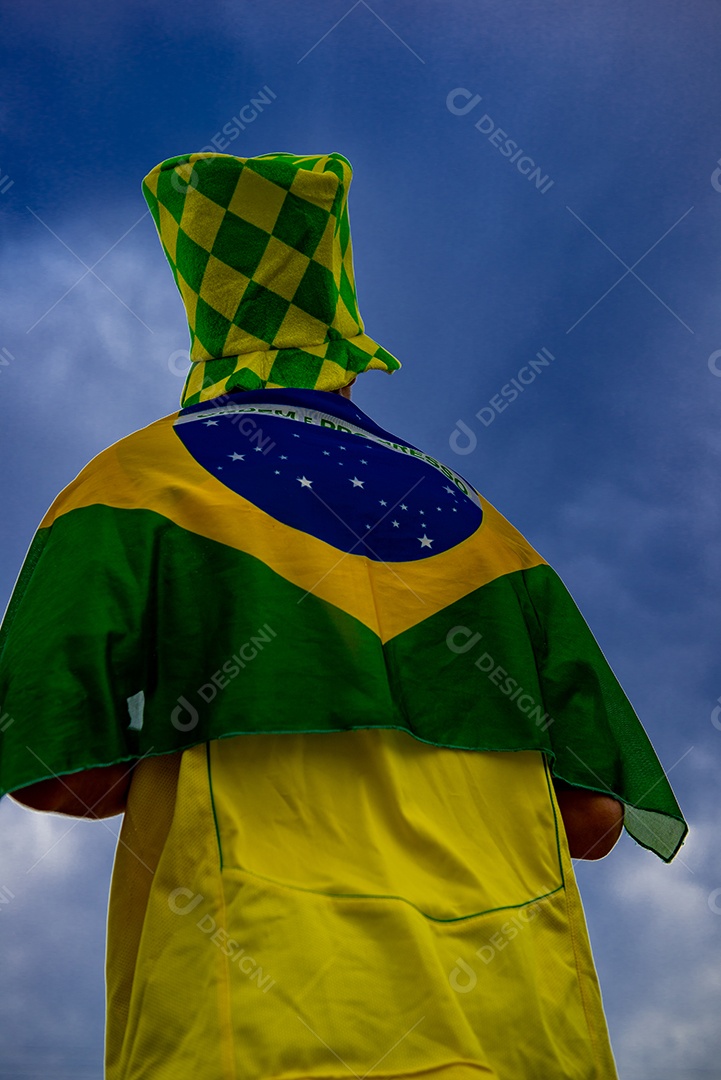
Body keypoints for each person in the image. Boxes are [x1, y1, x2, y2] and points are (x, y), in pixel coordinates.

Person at [0, 150, 687, 1080]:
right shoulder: (499, 539)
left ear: (201, 316)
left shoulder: (133, 487)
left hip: (265, 1019)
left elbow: (49, 773)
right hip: (526, 1031)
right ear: (347, 335)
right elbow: (599, 816)